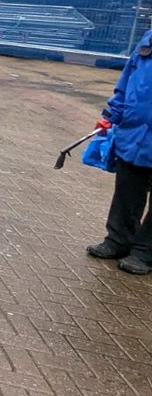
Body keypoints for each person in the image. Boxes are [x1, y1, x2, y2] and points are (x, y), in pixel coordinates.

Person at [85, 28, 152, 275]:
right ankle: (118, 240)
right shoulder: (149, 38)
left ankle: (145, 253)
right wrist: (113, 113)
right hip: (134, 132)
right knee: (127, 190)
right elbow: (127, 78)